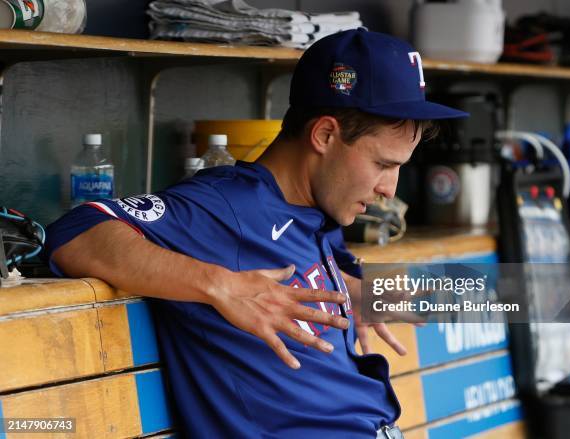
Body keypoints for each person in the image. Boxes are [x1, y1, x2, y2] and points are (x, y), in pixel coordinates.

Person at [44, 29, 467, 438]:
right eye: (383, 165)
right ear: (323, 135)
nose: (389, 190)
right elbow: (75, 231)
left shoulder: (318, 212)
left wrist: (355, 292)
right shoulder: (223, 204)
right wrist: (220, 287)